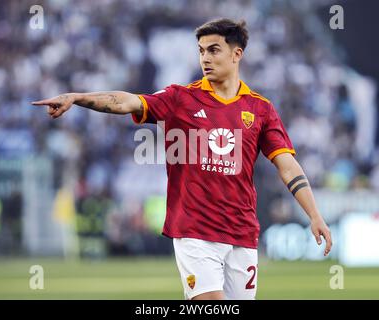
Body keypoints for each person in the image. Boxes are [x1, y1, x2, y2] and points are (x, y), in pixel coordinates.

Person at [32, 18, 332, 300]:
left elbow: (287, 165)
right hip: (195, 232)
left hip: (242, 232)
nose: (205, 58)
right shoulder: (180, 99)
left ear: (236, 54)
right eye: (201, 51)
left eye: (214, 50)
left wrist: (315, 215)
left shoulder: (261, 109)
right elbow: (127, 101)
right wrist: (77, 97)